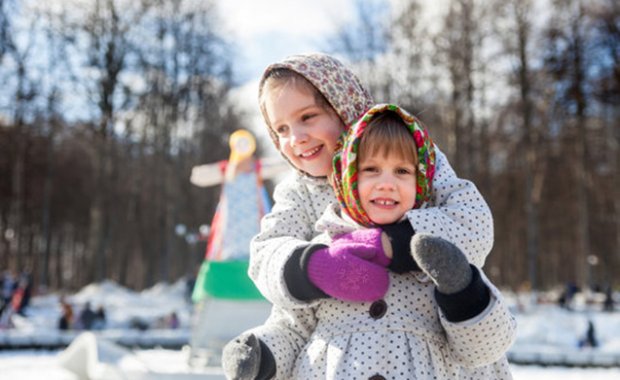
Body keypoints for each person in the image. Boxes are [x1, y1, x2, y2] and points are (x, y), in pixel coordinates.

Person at [222, 105, 516, 379]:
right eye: (371, 170)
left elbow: (485, 349)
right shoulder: (328, 253)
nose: (387, 183)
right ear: (347, 178)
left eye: (402, 171)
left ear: (421, 182)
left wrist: (463, 294)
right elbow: (292, 327)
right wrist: (263, 355)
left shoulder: (437, 257)